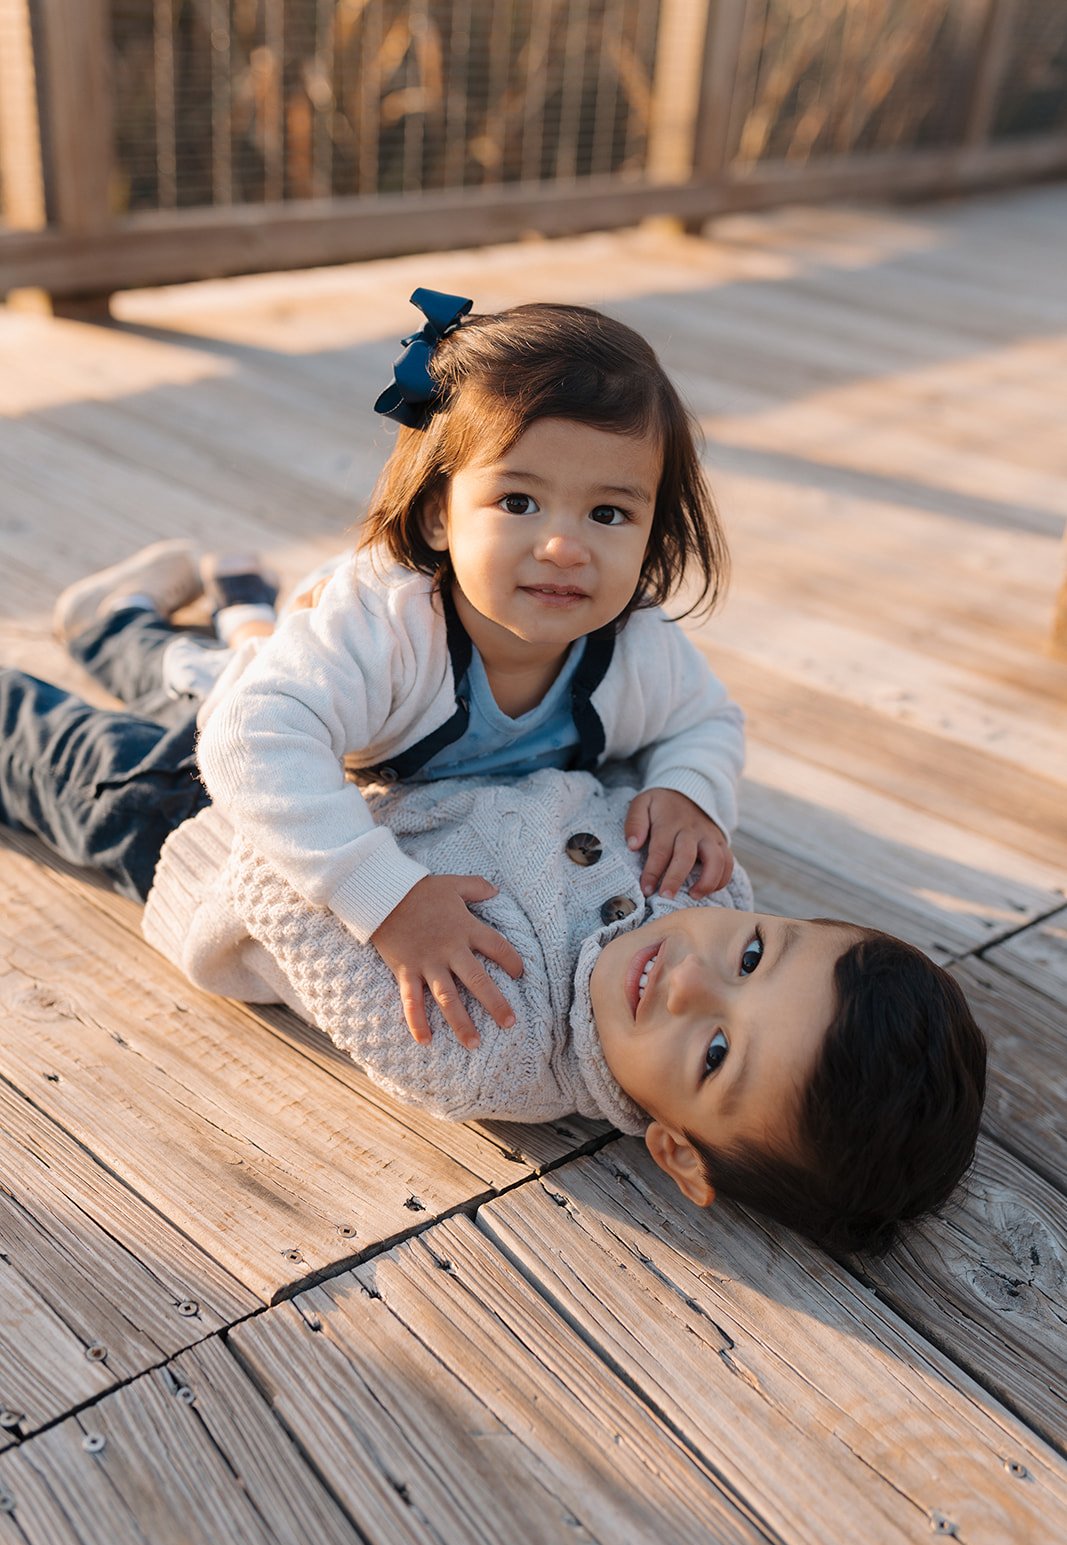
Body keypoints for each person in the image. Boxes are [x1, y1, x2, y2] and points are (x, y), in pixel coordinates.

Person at [0, 564, 986, 1259]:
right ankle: (137, 627)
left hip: (202, 829)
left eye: (716, 1054)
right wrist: (684, 787)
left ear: (678, 1149)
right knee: (246, 698)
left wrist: (383, 894)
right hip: (383, 764)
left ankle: (167, 633)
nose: (690, 977)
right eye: (757, 954)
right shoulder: (702, 889)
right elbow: (654, 747)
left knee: (62, 749)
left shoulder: (484, 1048)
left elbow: (276, 888)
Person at [191, 290, 747, 1053]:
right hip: (292, 679)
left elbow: (705, 719)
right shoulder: (390, 631)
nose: (563, 547)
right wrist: (386, 899)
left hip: (322, 664)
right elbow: (249, 739)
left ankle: (243, 603)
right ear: (438, 516)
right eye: (518, 501)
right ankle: (139, 620)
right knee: (208, 686)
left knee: (258, 645)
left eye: (608, 514)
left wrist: (688, 788)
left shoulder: (636, 644)